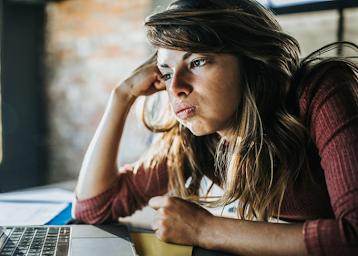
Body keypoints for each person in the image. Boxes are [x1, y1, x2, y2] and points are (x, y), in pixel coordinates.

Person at [72, 0, 358, 255]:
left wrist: (204, 229)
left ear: (250, 61)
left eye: (197, 61)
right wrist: (122, 96)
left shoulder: (323, 91)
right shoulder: (197, 135)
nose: (176, 88)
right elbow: (93, 208)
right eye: (166, 73)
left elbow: (352, 236)